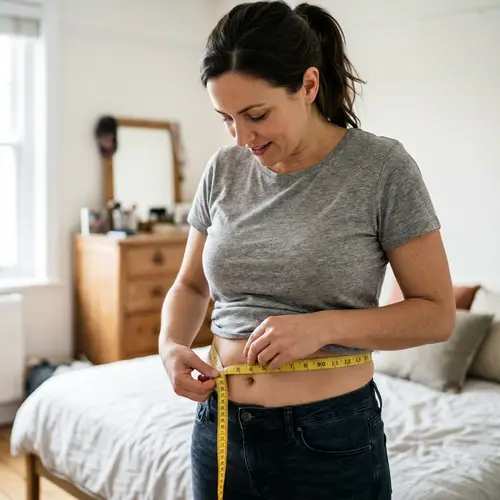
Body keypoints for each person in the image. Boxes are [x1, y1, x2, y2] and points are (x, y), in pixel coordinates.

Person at [159, 1, 456, 499]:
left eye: (256, 114)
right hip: (220, 423)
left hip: (330, 438)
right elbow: (191, 285)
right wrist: (169, 346)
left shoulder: (382, 169)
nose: (242, 136)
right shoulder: (223, 169)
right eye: (226, 118)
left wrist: (324, 327)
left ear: (309, 86)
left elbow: (437, 314)